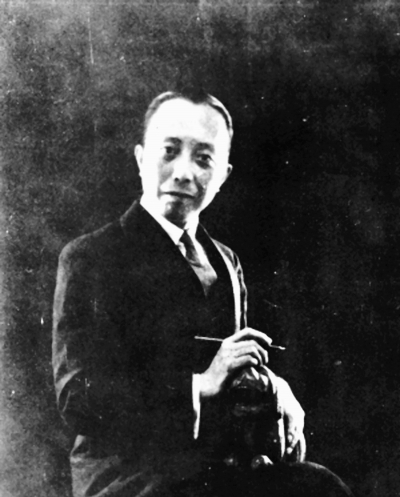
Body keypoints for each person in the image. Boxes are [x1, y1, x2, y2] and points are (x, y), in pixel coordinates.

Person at [52, 90, 353, 497]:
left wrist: (272, 388)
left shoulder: (226, 261)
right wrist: (200, 384)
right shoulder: (93, 257)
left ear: (223, 175)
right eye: (169, 151)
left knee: (321, 487)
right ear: (141, 158)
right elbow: (78, 398)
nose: (183, 172)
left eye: (203, 159)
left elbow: (232, 371)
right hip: (132, 477)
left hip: (214, 469)